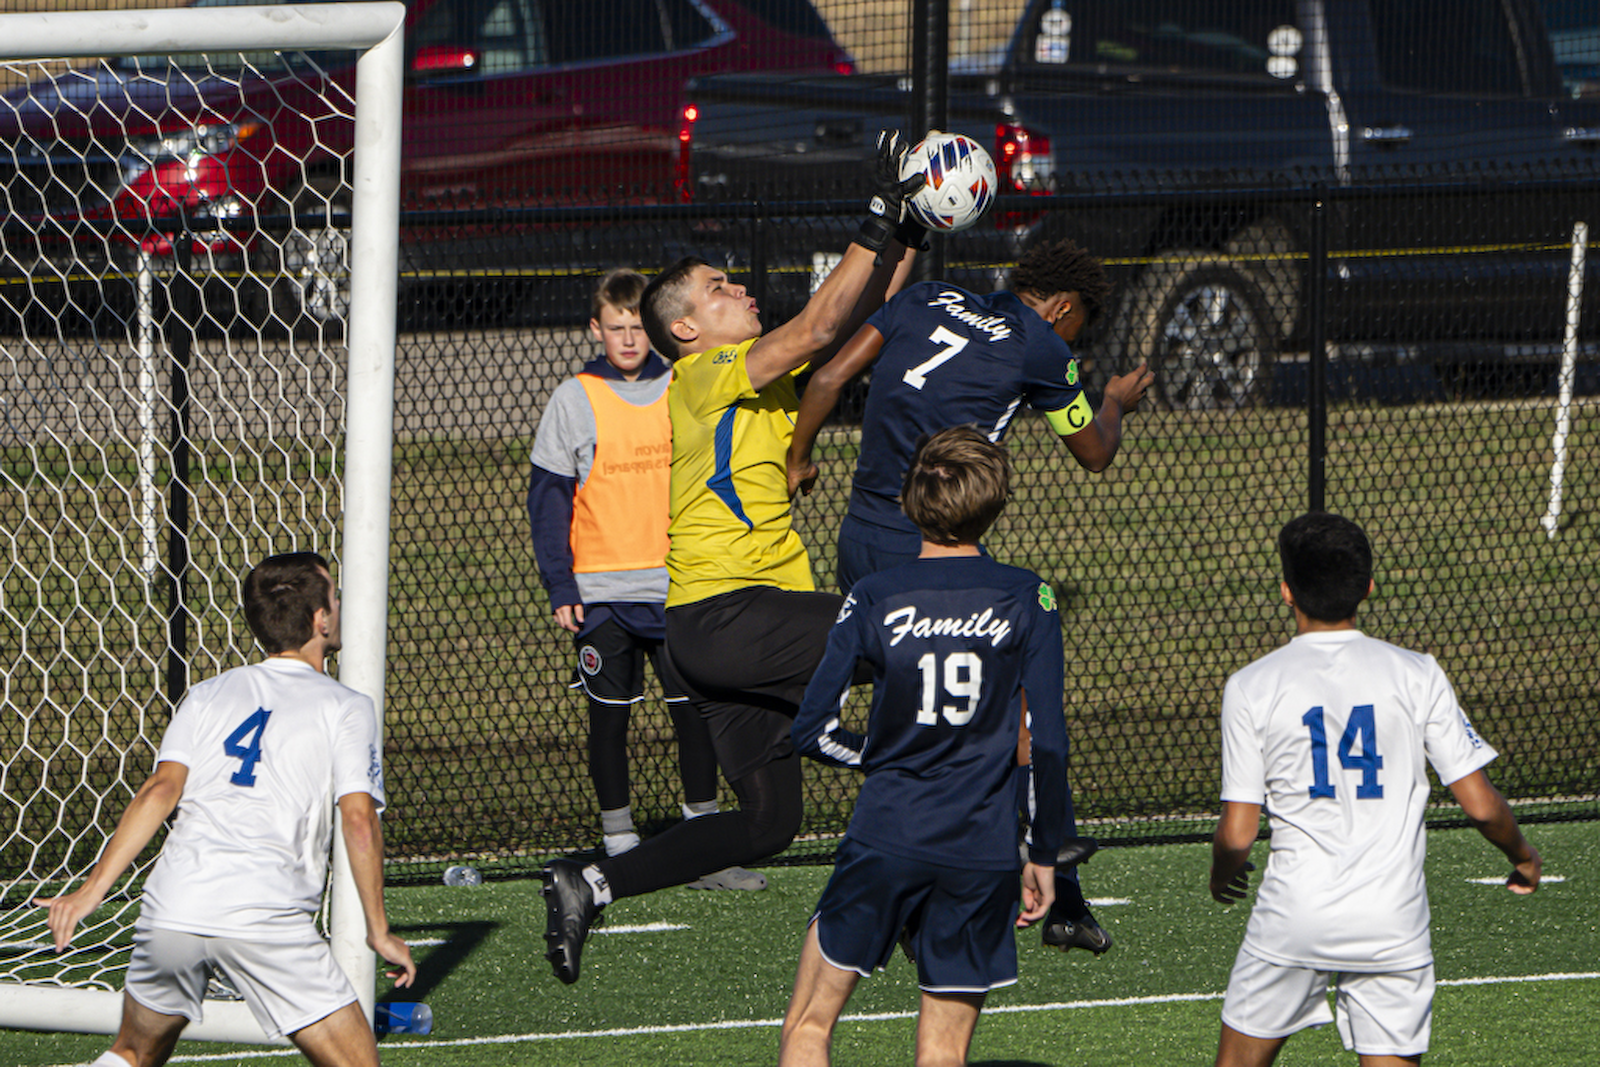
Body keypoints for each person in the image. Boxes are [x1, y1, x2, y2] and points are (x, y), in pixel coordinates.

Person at [539, 130, 926, 985]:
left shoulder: (753, 377)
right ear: (685, 328)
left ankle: (590, 882)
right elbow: (818, 321)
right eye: (720, 288)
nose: (740, 288)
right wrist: (877, 209)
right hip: (729, 613)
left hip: (717, 634)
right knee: (907, 628)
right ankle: (925, 863)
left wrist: (912, 229)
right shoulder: (705, 373)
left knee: (767, 824)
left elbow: (853, 320)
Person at [785, 237, 1155, 956]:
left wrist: (799, 459)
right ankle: (1054, 891)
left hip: (860, 538)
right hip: (931, 548)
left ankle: (921, 888)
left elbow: (827, 378)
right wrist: (1112, 400)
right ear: (1063, 308)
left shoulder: (926, 297)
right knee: (1010, 716)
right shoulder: (1040, 345)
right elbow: (1095, 452)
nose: (1072, 339)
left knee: (909, 697)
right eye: (1078, 326)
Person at [35, 551, 416, 1067]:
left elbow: (158, 791)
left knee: (133, 1053)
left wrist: (90, 892)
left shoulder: (207, 693)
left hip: (175, 908)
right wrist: (378, 929)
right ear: (321, 620)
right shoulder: (345, 706)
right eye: (334, 597)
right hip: (265, 917)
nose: (340, 605)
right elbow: (358, 820)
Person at [1209, 512, 1542, 1067]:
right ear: (1368, 587)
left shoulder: (1251, 685)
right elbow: (1482, 807)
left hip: (1295, 914)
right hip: (1393, 920)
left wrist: (1222, 873)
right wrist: (1524, 856)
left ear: (1286, 591)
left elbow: (1238, 834)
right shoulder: (1417, 673)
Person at [779, 426, 1067, 1067]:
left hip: (889, 831)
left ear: (909, 503)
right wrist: (1045, 853)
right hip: (983, 847)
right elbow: (1046, 743)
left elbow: (813, 730)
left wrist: (887, 757)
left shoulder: (874, 595)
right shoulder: (1031, 596)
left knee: (809, 1025)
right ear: (995, 504)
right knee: (943, 1051)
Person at [526, 268, 759, 889]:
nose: (627, 339)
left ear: (653, 330)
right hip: (602, 596)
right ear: (595, 329)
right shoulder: (574, 398)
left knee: (695, 716)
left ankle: (703, 846)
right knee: (609, 720)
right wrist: (561, 586)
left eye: (636, 327)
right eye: (615, 328)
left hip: (677, 587)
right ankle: (620, 846)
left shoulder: (682, 384)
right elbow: (548, 500)